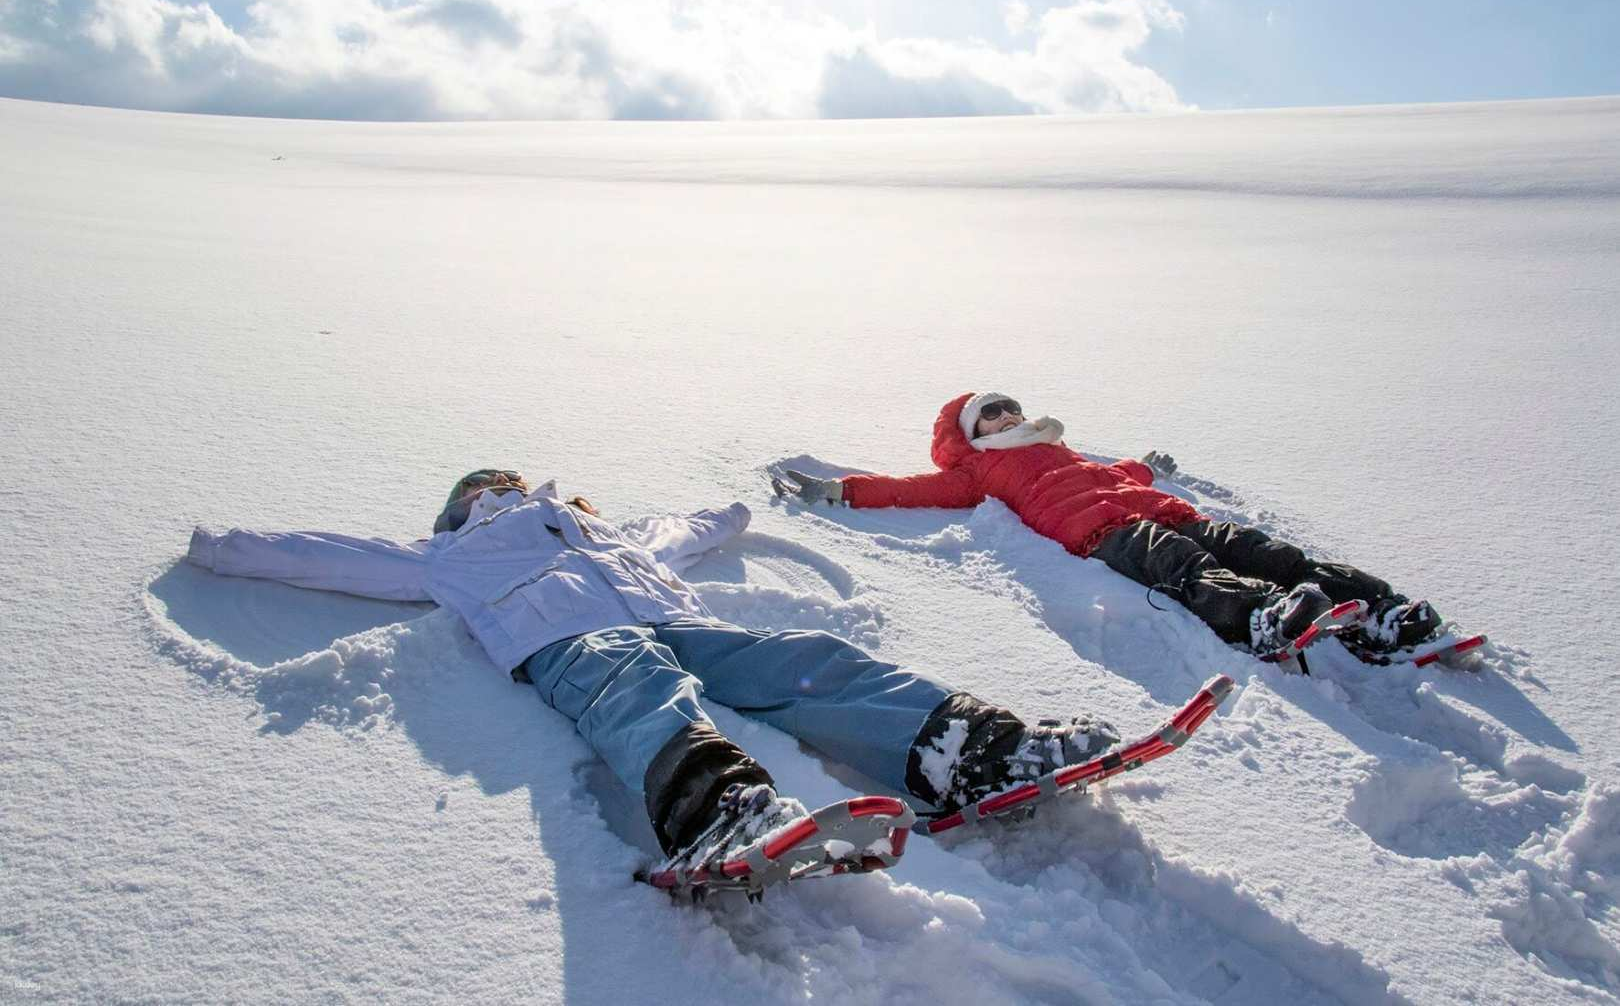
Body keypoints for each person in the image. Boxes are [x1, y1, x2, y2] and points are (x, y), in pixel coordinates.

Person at [185, 468, 1121, 872]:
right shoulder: (447, 555)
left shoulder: (595, 528)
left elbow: (677, 534)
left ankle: (971, 751)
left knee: (805, 661)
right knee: (635, 692)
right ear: (458, 507)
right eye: (481, 487)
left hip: (674, 614)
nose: (500, 489)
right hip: (569, 644)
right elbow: (331, 557)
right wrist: (222, 547)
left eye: (507, 478)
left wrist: (727, 517)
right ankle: (717, 811)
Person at [773, 393, 1442, 662]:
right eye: (991, 415)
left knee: (1261, 548)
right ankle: (1260, 619)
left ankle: (1382, 614)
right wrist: (844, 491)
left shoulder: (1059, 447)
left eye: (1010, 407)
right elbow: (910, 489)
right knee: (1185, 567)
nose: (1007, 418)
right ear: (971, 435)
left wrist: (1145, 470)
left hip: (1152, 508)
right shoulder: (975, 471)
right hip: (1104, 534)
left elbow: (1111, 471)